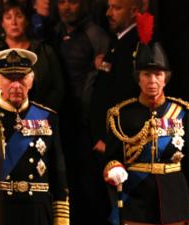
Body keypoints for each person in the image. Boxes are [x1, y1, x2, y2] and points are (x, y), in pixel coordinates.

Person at [0, 48, 69, 225]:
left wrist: (61, 217)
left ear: (31, 80)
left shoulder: (47, 117)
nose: (16, 85)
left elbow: (58, 171)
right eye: (10, 78)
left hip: (37, 210)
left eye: (22, 78)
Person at [103, 40, 189, 225]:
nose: (152, 81)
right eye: (147, 74)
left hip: (175, 200)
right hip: (135, 201)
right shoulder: (121, 114)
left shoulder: (182, 113)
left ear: (165, 78)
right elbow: (111, 156)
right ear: (138, 78)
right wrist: (114, 167)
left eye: (158, 74)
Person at [53, 0, 110, 224]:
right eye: (62, 2)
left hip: (85, 122)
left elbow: (106, 77)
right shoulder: (54, 33)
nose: (67, 7)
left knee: (89, 187)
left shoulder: (95, 35)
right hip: (60, 118)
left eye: (73, 2)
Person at [90, 0, 144, 154]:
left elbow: (126, 97)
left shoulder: (136, 45)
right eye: (109, 7)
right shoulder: (118, 42)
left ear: (133, 11)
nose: (108, 13)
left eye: (116, 8)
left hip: (119, 141)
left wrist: (109, 139)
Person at [0, 1, 64, 111]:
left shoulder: (45, 51)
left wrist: (40, 113)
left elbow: (58, 89)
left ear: (27, 21)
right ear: (2, 23)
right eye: (8, 17)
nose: (14, 22)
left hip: (40, 118)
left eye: (19, 16)